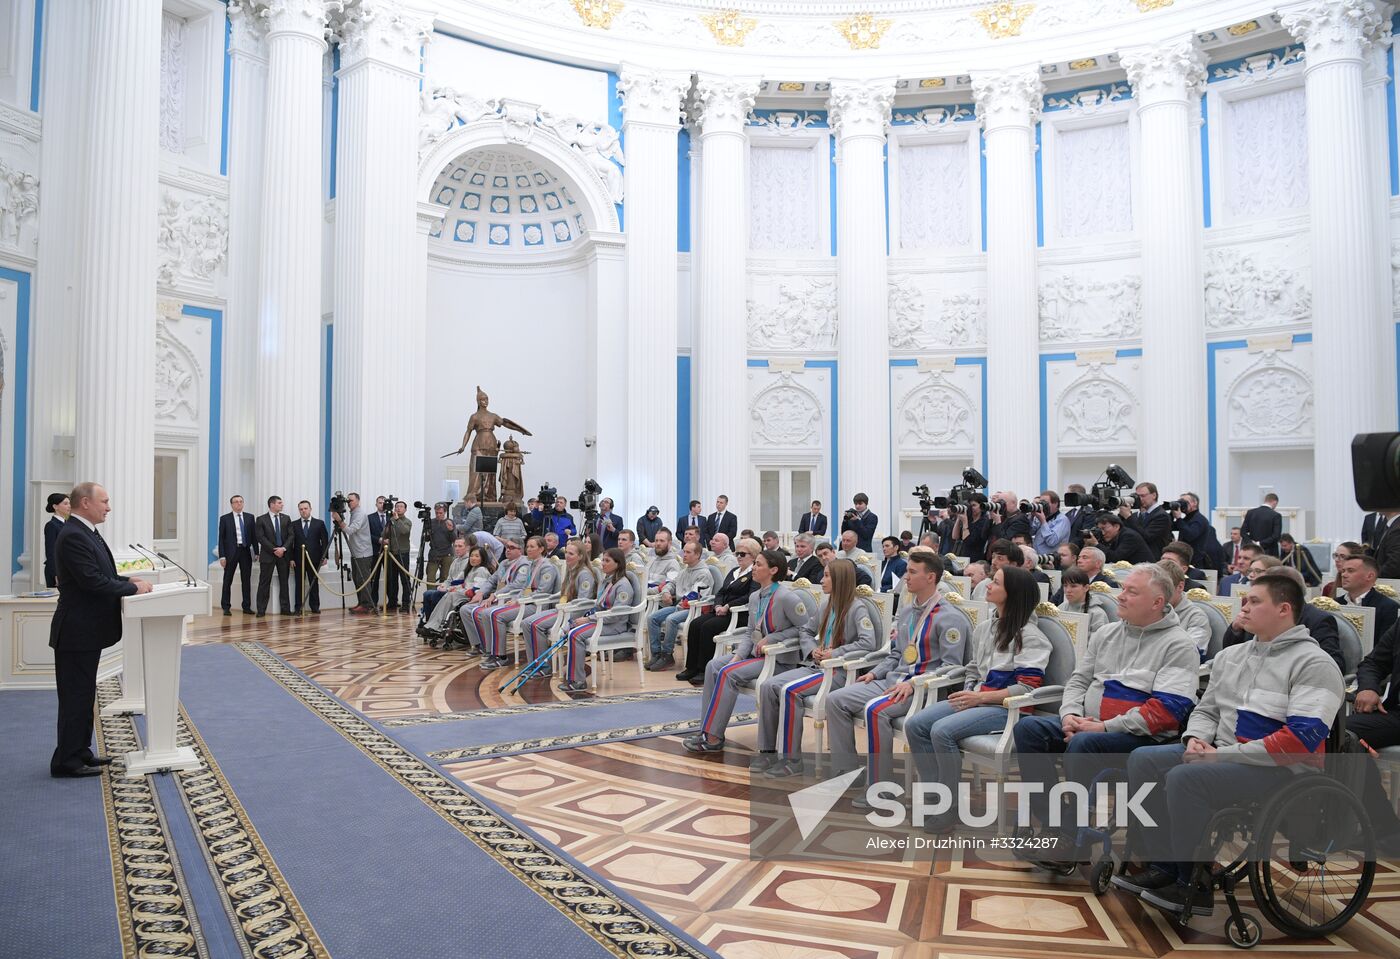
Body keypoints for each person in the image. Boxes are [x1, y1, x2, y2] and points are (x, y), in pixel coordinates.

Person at [1117, 572, 1345, 915]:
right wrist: (1195, 740)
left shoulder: (1314, 664)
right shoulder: (1231, 657)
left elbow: (1298, 741)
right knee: (1143, 760)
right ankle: (1162, 865)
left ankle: (1194, 881)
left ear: (1284, 609)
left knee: (1184, 778)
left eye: (1255, 601)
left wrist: (1219, 755)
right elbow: (1207, 709)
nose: (1244, 608)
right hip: (1221, 753)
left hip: (1280, 770)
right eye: (1244, 601)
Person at [1012, 564, 1199, 849]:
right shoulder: (1107, 634)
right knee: (1029, 729)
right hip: (1089, 723)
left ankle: (1073, 839)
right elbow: (1078, 681)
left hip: (1138, 737)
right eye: (1123, 589)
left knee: (1084, 744)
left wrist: (1102, 727)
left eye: (1131, 592)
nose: (1120, 596)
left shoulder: (1178, 644)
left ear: (1157, 603)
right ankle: (1053, 820)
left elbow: (1166, 711)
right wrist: (1070, 715)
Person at [905, 566, 1051, 832]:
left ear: (1012, 594)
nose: (987, 586)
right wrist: (971, 690)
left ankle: (949, 807)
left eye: (995, 583)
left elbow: (1026, 688)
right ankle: (932, 796)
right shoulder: (985, 627)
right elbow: (973, 668)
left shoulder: (1030, 636)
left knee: (942, 730)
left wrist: (980, 698)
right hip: (979, 699)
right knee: (915, 724)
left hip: (1007, 708)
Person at [826, 552, 969, 791]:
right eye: (907, 571)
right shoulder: (905, 612)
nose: (906, 577)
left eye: (913, 572)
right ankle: (848, 770)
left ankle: (880, 784)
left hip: (923, 689)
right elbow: (895, 654)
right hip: (893, 681)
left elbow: (952, 668)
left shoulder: (950, 617)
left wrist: (914, 684)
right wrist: (875, 672)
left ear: (931, 577)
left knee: (875, 711)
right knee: (835, 700)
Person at [48, 482, 153, 777]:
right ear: (85, 502)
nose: (108, 507)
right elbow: (92, 581)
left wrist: (127, 578)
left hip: (87, 630)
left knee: (83, 695)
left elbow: (102, 572)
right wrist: (132, 589)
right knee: (74, 697)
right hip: (76, 630)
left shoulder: (85, 532)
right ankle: (66, 761)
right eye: (104, 501)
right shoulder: (72, 535)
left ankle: (80, 751)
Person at [754, 559, 881, 777]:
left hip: (839, 672)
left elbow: (868, 643)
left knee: (788, 690)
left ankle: (792, 759)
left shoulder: (856, 608)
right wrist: (812, 649)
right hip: (818, 666)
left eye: (828, 576)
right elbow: (805, 630)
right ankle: (768, 751)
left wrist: (836, 653)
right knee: (768, 685)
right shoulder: (827, 604)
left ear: (840, 580)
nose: (822, 580)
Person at [684, 549, 811, 753]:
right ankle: (705, 728)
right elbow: (751, 632)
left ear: (774, 570)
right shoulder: (754, 596)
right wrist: (737, 656)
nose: (753, 568)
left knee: (728, 673)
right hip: (755, 654)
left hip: (778, 660)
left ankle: (714, 737)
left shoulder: (787, 598)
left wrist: (773, 638)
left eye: (759, 564)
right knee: (713, 665)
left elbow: (804, 629)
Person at [1221, 561, 1345, 674]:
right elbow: (1231, 655)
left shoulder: (1318, 620)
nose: (1245, 608)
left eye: (1255, 601)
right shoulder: (1256, 616)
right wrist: (1236, 629)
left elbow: (1332, 666)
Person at [1348, 616, 1400, 856]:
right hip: (1396, 715)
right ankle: (1383, 825)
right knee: (1343, 735)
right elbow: (1372, 663)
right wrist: (1369, 688)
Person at [677, 538, 761, 683]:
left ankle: (704, 669)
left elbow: (750, 597)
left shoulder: (754, 574)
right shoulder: (735, 571)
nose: (739, 557)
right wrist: (717, 605)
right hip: (721, 610)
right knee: (695, 624)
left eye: (743, 554)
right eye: (737, 554)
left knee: (708, 627)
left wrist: (728, 607)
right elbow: (721, 592)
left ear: (753, 556)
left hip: (738, 614)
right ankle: (691, 667)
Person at [560, 547, 636, 692]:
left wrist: (589, 620)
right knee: (570, 629)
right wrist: (587, 617)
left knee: (576, 635)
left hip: (615, 625)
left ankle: (579, 681)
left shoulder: (623, 585)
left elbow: (616, 614)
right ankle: (572, 676)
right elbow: (599, 605)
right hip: (601, 620)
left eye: (607, 561)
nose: (603, 563)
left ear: (618, 564)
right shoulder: (607, 581)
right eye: (603, 560)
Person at [478, 535, 558, 669]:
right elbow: (525, 587)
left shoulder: (546, 567)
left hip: (537, 606)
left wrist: (519, 601)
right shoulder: (532, 564)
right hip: (525, 602)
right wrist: (516, 599)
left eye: (532, 547)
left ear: (541, 549)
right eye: (528, 546)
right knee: (487, 612)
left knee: (496, 615)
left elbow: (542, 592)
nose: (528, 549)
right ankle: (492, 652)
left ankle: (501, 656)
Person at [521, 539, 597, 673]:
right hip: (562, 609)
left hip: (573, 613)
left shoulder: (584, 574)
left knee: (535, 624)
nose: (567, 556)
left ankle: (544, 666)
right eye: (566, 553)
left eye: (571, 554)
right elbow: (564, 593)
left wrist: (565, 607)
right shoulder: (571, 570)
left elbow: (583, 602)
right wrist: (552, 598)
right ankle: (534, 662)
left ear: (580, 556)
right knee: (526, 623)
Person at [646, 540, 714, 671]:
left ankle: (667, 655)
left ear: (697, 555)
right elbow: (672, 584)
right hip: (680, 606)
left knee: (671, 619)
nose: (684, 555)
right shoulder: (684, 570)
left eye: (688, 552)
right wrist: (666, 591)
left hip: (694, 609)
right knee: (652, 618)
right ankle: (656, 653)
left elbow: (696, 595)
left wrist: (679, 602)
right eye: (684, 551)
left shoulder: (703, 573)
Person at [425, 545, 495, 647]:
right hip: (464, 593)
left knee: (451, 596)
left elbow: (476, 590)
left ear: (482, 558)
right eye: (472, 556)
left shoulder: (482, 570)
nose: (473, 558)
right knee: (448, 594)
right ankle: (433, 624)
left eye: (476, 556)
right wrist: (451, 588)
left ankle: (435, 625)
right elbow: (461, 583)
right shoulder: (471, 570)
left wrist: (459, 590)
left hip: (474, 597)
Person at [1335, 554, 1400, 638]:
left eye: (1350, 571)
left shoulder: (1388, 608)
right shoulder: (1334, 604)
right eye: (1343, 571)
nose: (1344, 575)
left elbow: (1386, 647)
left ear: (1370, 576)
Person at [1158, 560, 1212, 660]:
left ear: (1180, 587)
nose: (1158, 595)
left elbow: (1190, 654)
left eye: (1165, 589)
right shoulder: (1149, 608)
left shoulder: (1196, 617)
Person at [418, 537, 472, 633]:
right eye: (455, 546)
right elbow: (449, 579)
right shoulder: (455, 561)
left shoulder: (469, 561)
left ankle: (435, 624)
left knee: (434, 595)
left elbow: (462, 581)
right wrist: (443, 585)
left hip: (458, 591)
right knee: (427, 594)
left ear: (467, 548)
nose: (457, 548)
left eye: (460, 546)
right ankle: (429, 622)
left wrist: (447, 588)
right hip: (450, 588)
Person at [336, 492, 376, 613]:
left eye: (351, 500)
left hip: (362, 552)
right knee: (357, 579)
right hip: (357, 552)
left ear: (358, 501)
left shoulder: (359, 514)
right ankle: (362, 603)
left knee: (363, 579)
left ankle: (366, 605)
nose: (349, 502)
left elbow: (350, 530)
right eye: (347, 500)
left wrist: (339, 521)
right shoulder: (354, 513)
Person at [217, 494, 256, 615]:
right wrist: (222, 556)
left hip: (245, 551)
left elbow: (254, 536)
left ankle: (246, 606)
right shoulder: (225, 518)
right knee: (227, 580)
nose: (239, 503)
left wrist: (257, 552)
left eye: (241, 501)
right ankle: (226, 607)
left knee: (246, 580)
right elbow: (221, 539)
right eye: (236, 502)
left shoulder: (250, 517)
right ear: (232, 504)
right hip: (230, 553)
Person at [255, 495, 293, 617]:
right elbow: (260, 537)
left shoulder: (286, 518)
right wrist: (273, 549)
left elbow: (291, 536)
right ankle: (261, 610)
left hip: (283, 555)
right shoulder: (261, 519)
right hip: (267, 555)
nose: (282, 505)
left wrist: (283, 548)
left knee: (284, 582)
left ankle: (285, 609)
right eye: (279, 503)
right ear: (272, 504)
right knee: (264, 583)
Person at [290, 500, 329, 614]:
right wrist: (291, 558)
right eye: (301, 509)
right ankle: (298, 607)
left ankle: (315, 606)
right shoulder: (294, 524)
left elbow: (324, 541)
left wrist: (325, 556)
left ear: (310, 509)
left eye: (305, 508)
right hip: (298, 559)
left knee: (314, 583)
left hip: (315, 559)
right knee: (299, 584)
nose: (303, 511)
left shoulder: (319, 523)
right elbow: (290, 543)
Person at [1170, 493, 1222, 573]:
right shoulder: (1187, 519)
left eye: (1185, 502)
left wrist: (1179, 519)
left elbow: (1190, 535)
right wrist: (1172, 514)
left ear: (1194, 503)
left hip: (1194, 563)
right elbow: (1170, 527)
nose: (1181, 504)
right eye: (1180, 502)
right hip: (1184, 560)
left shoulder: (1199, 519)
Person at [1122, 482, 1172, 559]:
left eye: (1143, 496)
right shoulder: (1135, 515)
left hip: (1154, 560)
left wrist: (1128, 517)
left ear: (1154, 495)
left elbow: (1147, 537)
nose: (1139, 499)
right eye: (1137, 496)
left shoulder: (1161, 515)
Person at [1086, 512, 1154, 565]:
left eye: (1104, 528)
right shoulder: (1113, 536)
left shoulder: (1129, 536)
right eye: (1100, 529)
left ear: (1116, 526)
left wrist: (1096, 544)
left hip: (1145, 572)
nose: (1102, 533)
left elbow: (1116, 558)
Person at [1059, 567, 1108, 636]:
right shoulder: (1061, 608)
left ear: (1086, 588)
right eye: (1065, 586)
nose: (1068, 590)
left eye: (1073, 586)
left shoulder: (1097, 614)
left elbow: (1099, 642)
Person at [43, 492, 71, 588]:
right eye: (65, 503)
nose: (69, 506)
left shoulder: (68, 524)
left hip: (68, 570)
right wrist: (56, 573)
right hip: (57, 571)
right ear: (55, 506)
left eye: (69, 503)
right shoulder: (51, 525)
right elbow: (51, 551)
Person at [1240, 492, 1282, 557]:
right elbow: (1276, 536)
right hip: (1269, 552)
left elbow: (1243, 532)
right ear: (1275, 502)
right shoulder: (1276, 515)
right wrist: (1260, 543)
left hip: (1252, 551)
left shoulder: (1250, 513)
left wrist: (1251, 543)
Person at [424, 502, 455, 586]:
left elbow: (454, 539)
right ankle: (431, 597)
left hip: (447, 554)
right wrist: (426, 533)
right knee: (430, 578)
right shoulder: (431, 522)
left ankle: (441, 597)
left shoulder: (449, 522)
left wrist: (451, 530)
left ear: (444, 512)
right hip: (434, 553)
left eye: (440, 513)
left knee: (445, 578)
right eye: (436, 513)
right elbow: (426, 539)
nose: (438, 515)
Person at [1030, 491, 1069, 556]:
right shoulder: (1041, 517)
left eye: (1045, 503)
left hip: (1051, 560)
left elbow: (1052, 541)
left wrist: (1043, 521)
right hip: (1038, 557)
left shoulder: (1062, 520)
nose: (1042, 505)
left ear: (1056, 504)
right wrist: (1031, 516)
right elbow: (1030, 532)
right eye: (1041, 503)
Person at [952, 497, 991, 561]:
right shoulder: (969, 519)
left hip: (976, 558)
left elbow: (968, 541)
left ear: (982, 506)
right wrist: (959, 518)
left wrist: (965, 522)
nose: (971, 508)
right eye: (970, 506)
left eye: (974, 505)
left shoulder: (984, 521)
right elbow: (955, 536)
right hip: (963, 557)